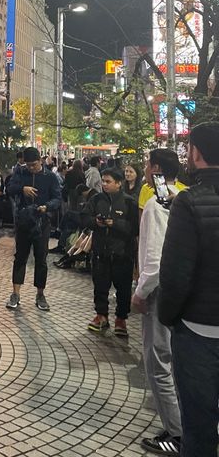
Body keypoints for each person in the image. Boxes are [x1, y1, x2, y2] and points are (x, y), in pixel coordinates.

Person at [158, 122, 219, 457]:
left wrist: (169, 317)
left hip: (197, 331)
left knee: (199, 426)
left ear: (195, 153)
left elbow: (175, 274)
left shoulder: (188, 202)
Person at [131, 154, 185, 455]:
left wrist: (140, 291)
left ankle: (176, 434)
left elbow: (154, 258)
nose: (145, 171)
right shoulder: (183, 196)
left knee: (157, 362)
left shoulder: (155, 205)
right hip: (182, 291)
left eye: (147, 166)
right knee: (176, 361)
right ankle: (184, 423)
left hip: (158, 292)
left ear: (156, 170)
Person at [5, 147, 62, 312]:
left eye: (34, 165)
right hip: (23, 222)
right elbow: (9, 189)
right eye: (28, 165)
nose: (31, 168)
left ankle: (40, 294)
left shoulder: (50, 177)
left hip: (42, 223)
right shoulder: (20, 173)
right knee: (20, 257)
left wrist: (47, 207)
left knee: (41, 259)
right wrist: (22, 189)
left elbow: (58, 198)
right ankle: (15, 293)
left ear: (41, 161)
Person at [85, 167, 138, 336]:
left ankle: (121, 319)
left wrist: (114, 223)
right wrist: (96, 222)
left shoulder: (129, 202)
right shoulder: (96, 200)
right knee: (100, 286)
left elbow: (135, 228)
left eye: (108, 181)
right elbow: (84, 218)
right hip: (101, 252)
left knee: (123, 289)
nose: (104, 184)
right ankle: (101, 316)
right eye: (103, 181)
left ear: (119, 183)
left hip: (122, 254)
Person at [138, 148, 186, 215]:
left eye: (147, 165)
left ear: (155, 168)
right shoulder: (185, 199)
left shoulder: (154, 204)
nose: (144, 170)